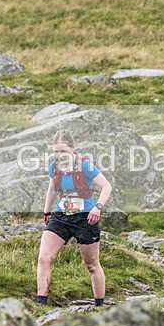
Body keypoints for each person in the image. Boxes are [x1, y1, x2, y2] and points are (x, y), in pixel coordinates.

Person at [37, 130, 113, 306]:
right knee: (44, 258)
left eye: (62, 151)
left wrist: (98, 207)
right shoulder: (54, 167)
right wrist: (47, 212)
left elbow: (106, 186)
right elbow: (52, 189)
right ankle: (40, 302)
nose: (59, 155)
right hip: (61, 216)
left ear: (73, 148)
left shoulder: (85, 165)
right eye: (56, 152)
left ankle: (99, 305)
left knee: (92, 265)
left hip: (85, 218)